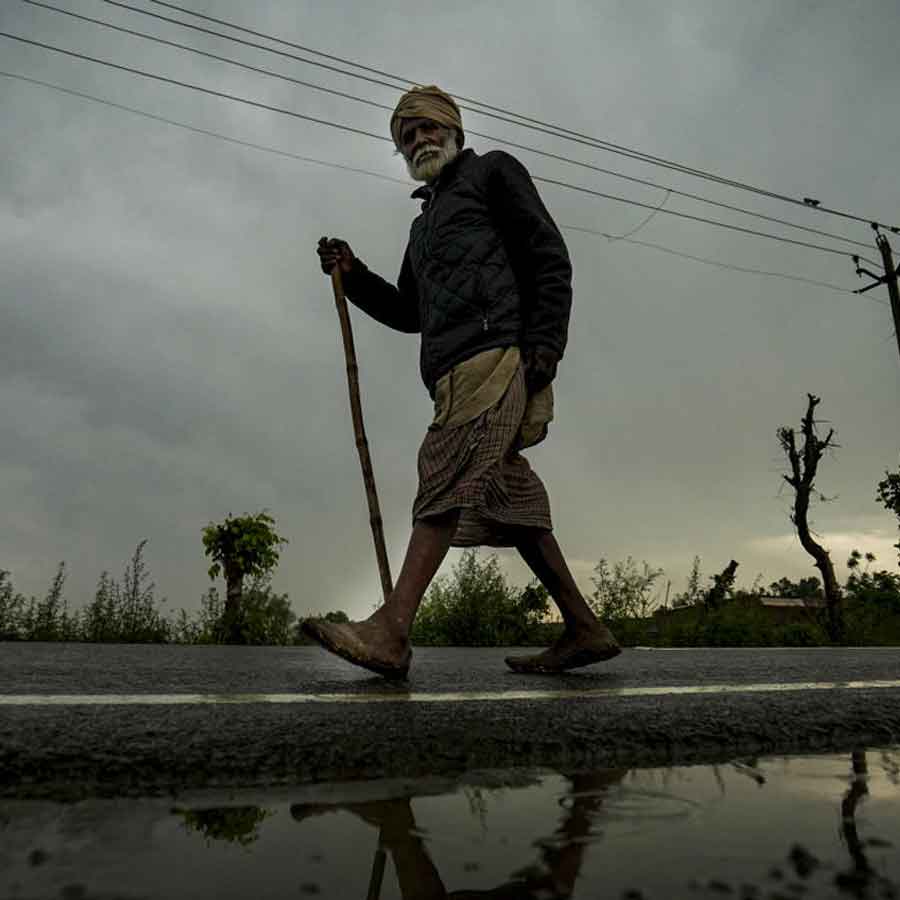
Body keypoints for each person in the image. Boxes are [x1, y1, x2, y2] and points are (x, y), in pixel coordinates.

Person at [304, 84, 619, 679]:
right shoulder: (422, 230)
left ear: (453, 130)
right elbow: (409, 312)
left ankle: (391, 630)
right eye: (406, 136)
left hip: (498, 356)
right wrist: (354, 273)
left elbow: (550, 257)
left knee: (442, 471)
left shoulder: (494, 174)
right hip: (447, 371)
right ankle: (583, 627)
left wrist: (545, 348)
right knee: (507, 497)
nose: (418, 140)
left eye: (426, 129)